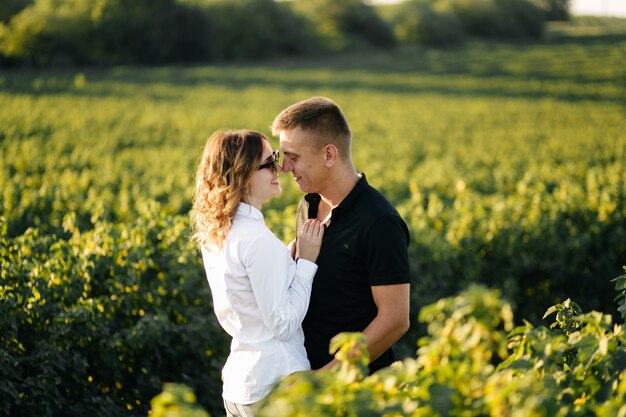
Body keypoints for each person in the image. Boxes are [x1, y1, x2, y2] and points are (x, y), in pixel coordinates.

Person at [271, 97, 411, 373]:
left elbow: (395, 320)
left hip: (359, 389)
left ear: (329, 155)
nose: (284, 167)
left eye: (293, 157)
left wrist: (329, 375)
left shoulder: (380, 221)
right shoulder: (307, 205)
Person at [191, 129, 324, 417]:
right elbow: (283, 323)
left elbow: (246, 302)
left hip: (240, 388)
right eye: (268, 162)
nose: (279, 168)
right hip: (275, 385)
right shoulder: (257, 240)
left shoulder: (217, 233)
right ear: (242, 174)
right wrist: (306, 264)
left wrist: (286, 260)